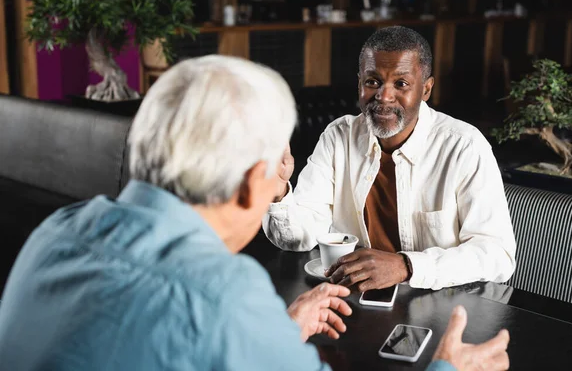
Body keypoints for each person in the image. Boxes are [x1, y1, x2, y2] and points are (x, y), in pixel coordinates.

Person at [0, 56, 509, 371]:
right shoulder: (224, 296)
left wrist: (274, 334)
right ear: (252, 184)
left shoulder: (56, 232)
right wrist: (446, 369)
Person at [264, 26, 516, 291]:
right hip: (353, 299)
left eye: (401, 84)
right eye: (372, 82)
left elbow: (497, 255)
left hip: (440, 303)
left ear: (426, 89)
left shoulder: (464, 146)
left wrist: (406, 266)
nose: (383, 96)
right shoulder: (339, 137)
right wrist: (278, 191)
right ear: (359, 82)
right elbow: (300, 237)